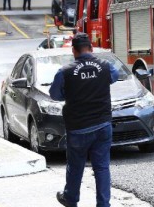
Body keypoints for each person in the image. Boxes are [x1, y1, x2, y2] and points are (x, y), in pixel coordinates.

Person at [50, 33, 119, 207]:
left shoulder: (65, 72)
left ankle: (71, 199)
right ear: (91, 48)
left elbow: (55, 94)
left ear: (73, 51)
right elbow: (114, 76)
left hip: (78, 128)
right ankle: (103, 204)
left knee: (75, 166)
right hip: (103, 125)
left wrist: (73, 92)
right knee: (102, 167)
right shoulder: (105, 66)